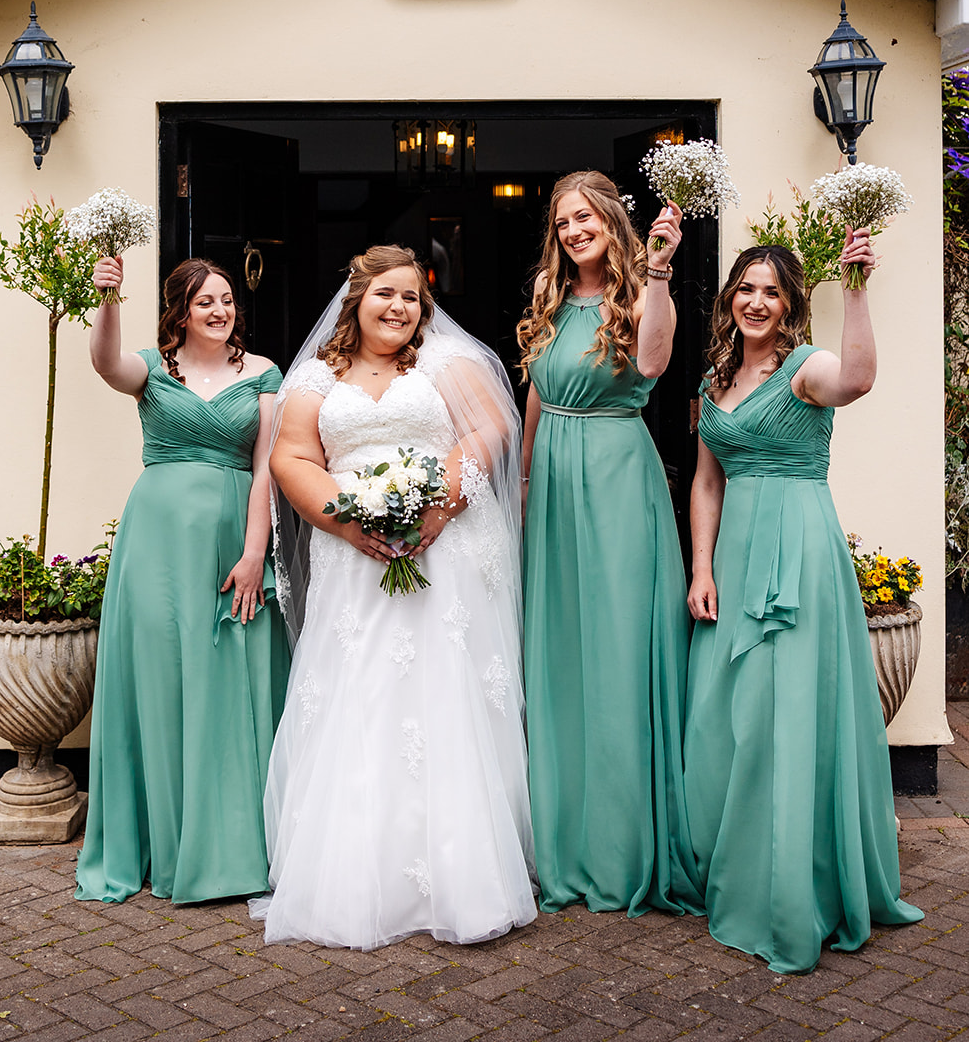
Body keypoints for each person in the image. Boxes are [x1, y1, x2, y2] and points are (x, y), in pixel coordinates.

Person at [253, 244, 535, 948]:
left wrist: (435, 509)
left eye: (411, 297)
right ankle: (356, 875)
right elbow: (291, 457)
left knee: (443, 695)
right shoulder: (317, 376)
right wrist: (348, 521)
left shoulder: (446, 364)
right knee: (362, 692)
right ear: (356, 299)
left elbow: (490, 428)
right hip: (354, 559)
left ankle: (461, 874)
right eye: (385, 294)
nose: (398, 307)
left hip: (446, 556)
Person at [684, 237, 922, 973]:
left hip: (795, 554)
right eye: (743, 289)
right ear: (729, 298)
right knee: (729, 718)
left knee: (784, 715)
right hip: (732, 556)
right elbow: (706, 482)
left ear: (789, 304)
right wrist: (700, 568)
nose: (754, 301)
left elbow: (856, 380)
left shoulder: (803, 369)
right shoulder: (716, 377)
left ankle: (791, 886)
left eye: (770, 291)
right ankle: (738, 863)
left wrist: (854, 288)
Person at [76, 256, 291, 905]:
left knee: (226, 680)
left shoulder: (262, 374)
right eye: (206, 303)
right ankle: (165, 843)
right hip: (156, 549)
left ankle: (233, 842)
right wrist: (106, 299)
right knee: (165, 681)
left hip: (231, 544)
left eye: (227, 300)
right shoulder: (149, 367)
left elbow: (267, 470)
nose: (221, 311)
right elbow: (105, 364)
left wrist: (256, 552)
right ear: (180, 311)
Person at [517, 170, 703, 917]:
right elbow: (534, 385)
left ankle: (622, 842)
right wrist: (526, 479)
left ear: (608, 222)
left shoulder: (635, 296)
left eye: (584, 217)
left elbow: (653, 364)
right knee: (559, 652)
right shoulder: (551, 300)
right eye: (562, 222)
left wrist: (659, 266)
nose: (572, 231)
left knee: (620, 652)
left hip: (619, 483)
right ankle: (561, 836)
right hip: (555, 485)